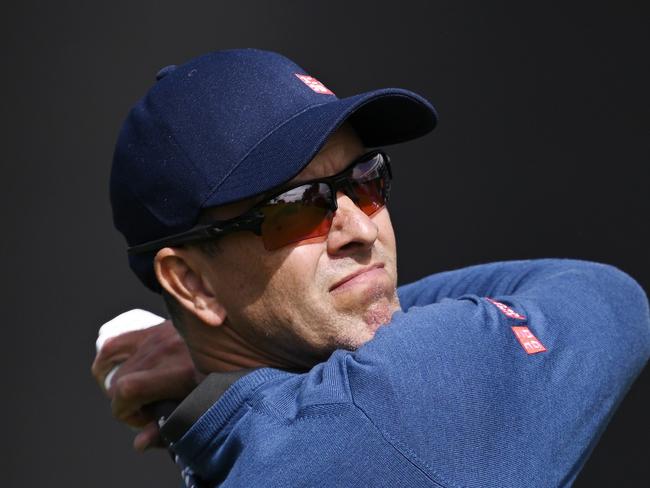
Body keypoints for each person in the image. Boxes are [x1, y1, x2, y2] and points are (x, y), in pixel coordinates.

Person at [93, 49, 650, 487]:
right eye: (298, 206)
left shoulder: (235, 439)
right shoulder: (392, 413)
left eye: (365, 180)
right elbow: (607, 294)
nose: (360, 227)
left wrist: (214, 342)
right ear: (190, 283)